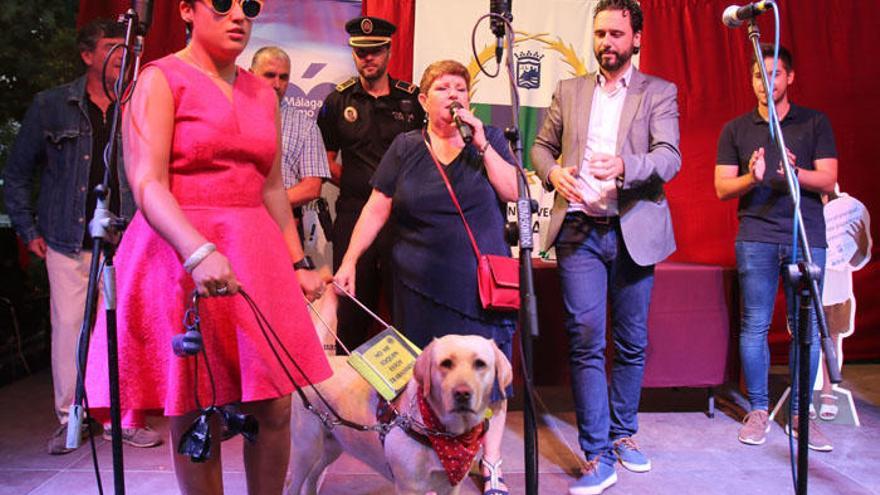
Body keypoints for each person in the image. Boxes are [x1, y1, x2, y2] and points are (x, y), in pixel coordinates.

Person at [83, 1, 332, 493]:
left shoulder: (263, 92)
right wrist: (196, 251)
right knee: (195, 404)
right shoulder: (160, 78)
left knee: (274, 402)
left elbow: (272, 189)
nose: (239, 15)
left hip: (254, 251)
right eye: (222, 3)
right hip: (178, 251)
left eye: (250, 6)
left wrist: (298, 262)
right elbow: (147, 182)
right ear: (187, 11)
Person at [334, 60, 517, 495]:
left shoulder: (488, 139)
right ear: (423, 99)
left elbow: (513, 190)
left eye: (461, 88)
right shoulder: (405, 146)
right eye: (442, 88)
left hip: (479, 289)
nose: (453, 95)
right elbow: (377, 206)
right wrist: (349, 261)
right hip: (419, 289)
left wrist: (482, 146)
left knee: (486, 384)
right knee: (423, 383)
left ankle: (490, 466)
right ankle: (424, 464)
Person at [531, 1, 681, 492]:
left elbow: (669, 157)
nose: (606, 43)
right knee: (586, 338)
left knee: (631, 342)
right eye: (600, 34)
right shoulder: (569, 89)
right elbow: (540, 147)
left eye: (617, 34)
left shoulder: (658, 92)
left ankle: (623, 434)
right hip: (579, 230)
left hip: (633, 229)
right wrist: (552, 172)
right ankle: (597, 453)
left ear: (636, 39)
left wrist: (624, 166)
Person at [3, 19, 161, 454]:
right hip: (67, 237)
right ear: (88, 55)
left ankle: (122, 418)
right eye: (111, 47)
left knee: (125, 331)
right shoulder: (51, 105)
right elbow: (16, 174)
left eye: (125, 49)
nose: (120, 56)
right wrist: (27, 228)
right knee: (70, 329)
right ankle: (72, 418)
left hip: (127, 239)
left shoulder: (139, 102)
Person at [715, 43, 838, 452]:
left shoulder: (814, 123)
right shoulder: (736, 129)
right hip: (756, 238)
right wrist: (753, 178)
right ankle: (758, 410)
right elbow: (720, 188)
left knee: (807, 330)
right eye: (758, 76)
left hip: (805, 237)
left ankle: (802, 415)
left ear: (790, 78)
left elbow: (829, 180)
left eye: (775, 75)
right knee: (754, 326)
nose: (766, 83)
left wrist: (794, 173)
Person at [318, 16, 424, 351]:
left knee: (406, 306)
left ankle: (411, 396)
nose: (368, 58)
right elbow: (325, 158)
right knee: (351, 307)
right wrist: (357, 184)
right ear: (353, 53)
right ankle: (346, 397)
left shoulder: (411, 101)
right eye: (361, 52)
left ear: (388, 51)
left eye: (375, 50)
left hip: (402, 219)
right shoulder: (338, 101)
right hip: (353, 214)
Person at [250, 47, 330, 233]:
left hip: (285, 225)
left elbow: (311, 188)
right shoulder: (231, 114)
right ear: (251, 74)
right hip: (235, 224)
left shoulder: (305, 126)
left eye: (284, 77)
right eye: (269, 75)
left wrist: (258, 205)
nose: (277, 84)